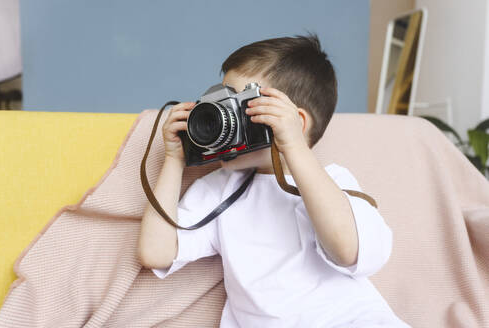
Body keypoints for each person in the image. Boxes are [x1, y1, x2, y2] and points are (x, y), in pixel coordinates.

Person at [137, 32, 411, 328]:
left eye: (241, 106)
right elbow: (155, 252)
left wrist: (292, 146)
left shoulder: (331, 180)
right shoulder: (220, 189)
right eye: (220, 103)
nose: (224, 116)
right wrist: (174, 160)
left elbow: (347, 250)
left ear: (297, 122)